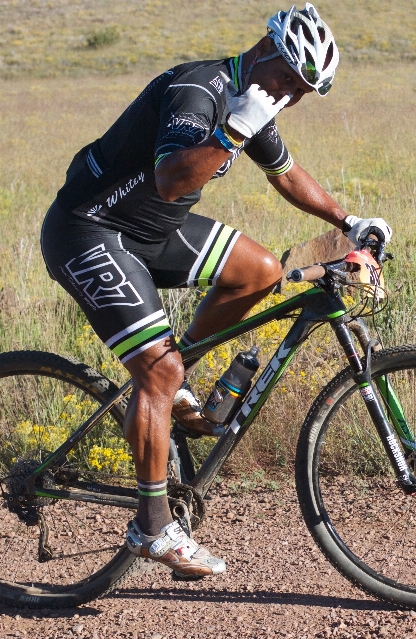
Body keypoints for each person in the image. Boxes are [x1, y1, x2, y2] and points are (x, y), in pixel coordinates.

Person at [39, 4, 391, 577]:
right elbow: (172, 177)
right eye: (287, 81)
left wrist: (348, 222)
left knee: (259, 272)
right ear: (266, 51)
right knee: (157, 372)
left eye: (302, 92)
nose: (290, 97)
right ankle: (152, 529)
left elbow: (285, 173)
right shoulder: (197, 91)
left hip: (151, 228)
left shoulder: (255, 98)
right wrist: (232, 130)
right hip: (90, 230)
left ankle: (170, 392)